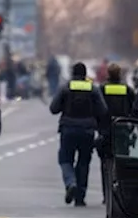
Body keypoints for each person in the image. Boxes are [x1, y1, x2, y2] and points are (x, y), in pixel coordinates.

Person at [50, 62, 107, 206]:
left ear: (72, 73)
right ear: (85, 74)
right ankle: (80, 198)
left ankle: (70, 182)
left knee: (65, 159)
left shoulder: (66, 87)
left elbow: (53, 108)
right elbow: (103, 110)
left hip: (68, 128)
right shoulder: (92, 89)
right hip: (87, 130)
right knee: (83, 162)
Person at [97, 63, 133, 203]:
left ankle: (106, 195)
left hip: (106, 130)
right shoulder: (126, 89)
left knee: (105, 164)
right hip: (122, 130)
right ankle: (120, 193)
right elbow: (134, 108)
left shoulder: (102, 89)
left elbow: (98, 108)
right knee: (121, 164)